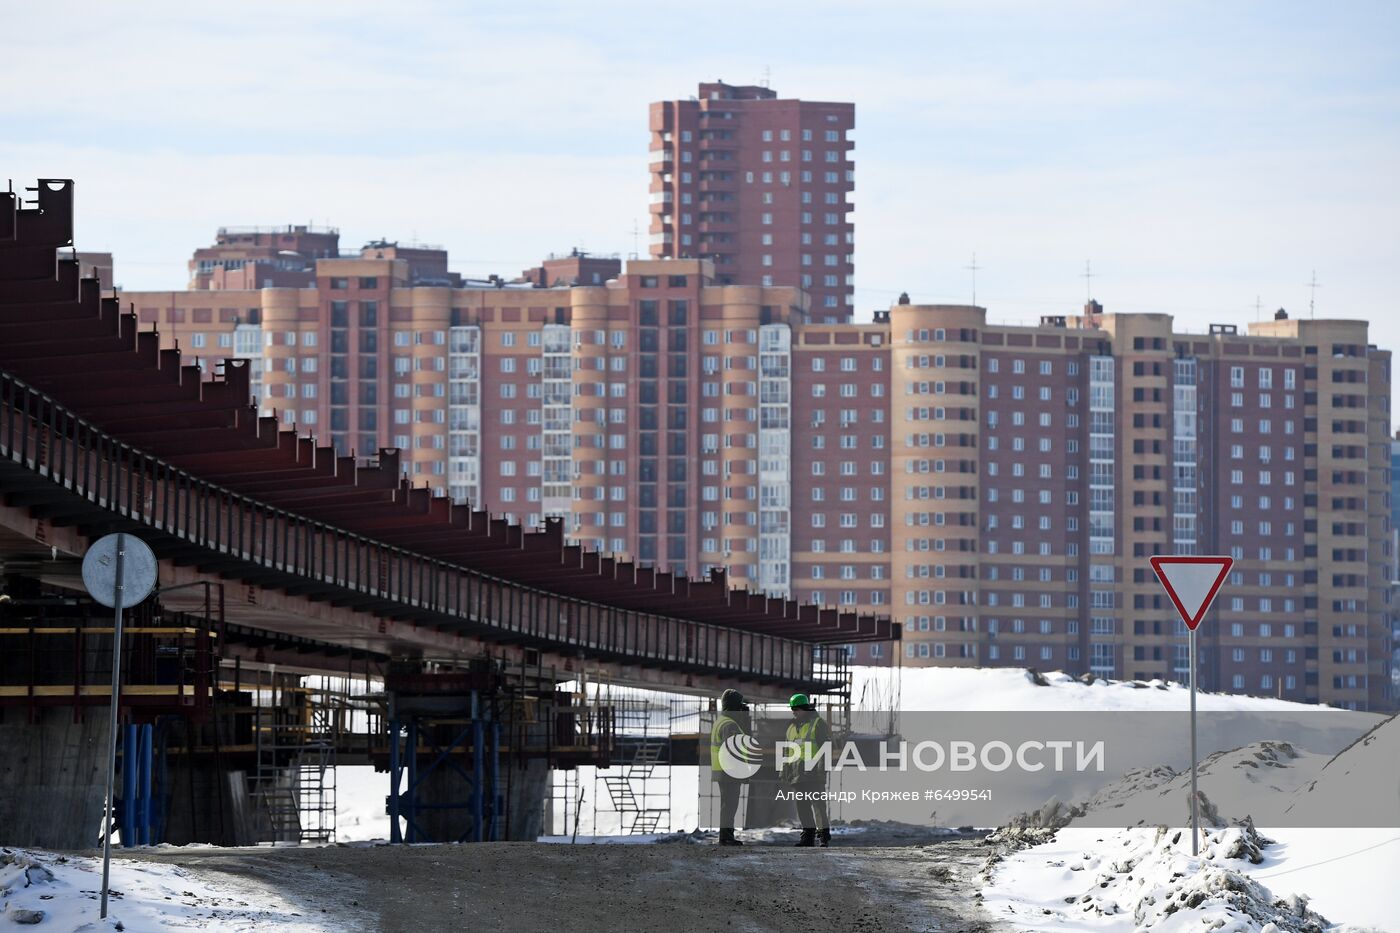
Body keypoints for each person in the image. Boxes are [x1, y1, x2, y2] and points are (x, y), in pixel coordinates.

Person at [782, 693, 832, 848]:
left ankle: (823, 838)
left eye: (796, 709)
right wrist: (784, 772)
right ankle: (807, 838)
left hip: (814, 774)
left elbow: (826, 749)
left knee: (818, 806)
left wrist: (821, 770)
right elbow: (787, 751)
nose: (794, 712)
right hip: (797, 774)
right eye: (792, 709)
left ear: (805, 708)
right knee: (802, 807)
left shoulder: (818, 724)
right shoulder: (791, 728)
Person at [710, 688, 751, 846]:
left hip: (723, 770)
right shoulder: (730, 724)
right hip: (730, 771)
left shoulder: (722, 721)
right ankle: (726, 837)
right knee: (730, 805)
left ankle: (726, 836)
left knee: (727, 804)